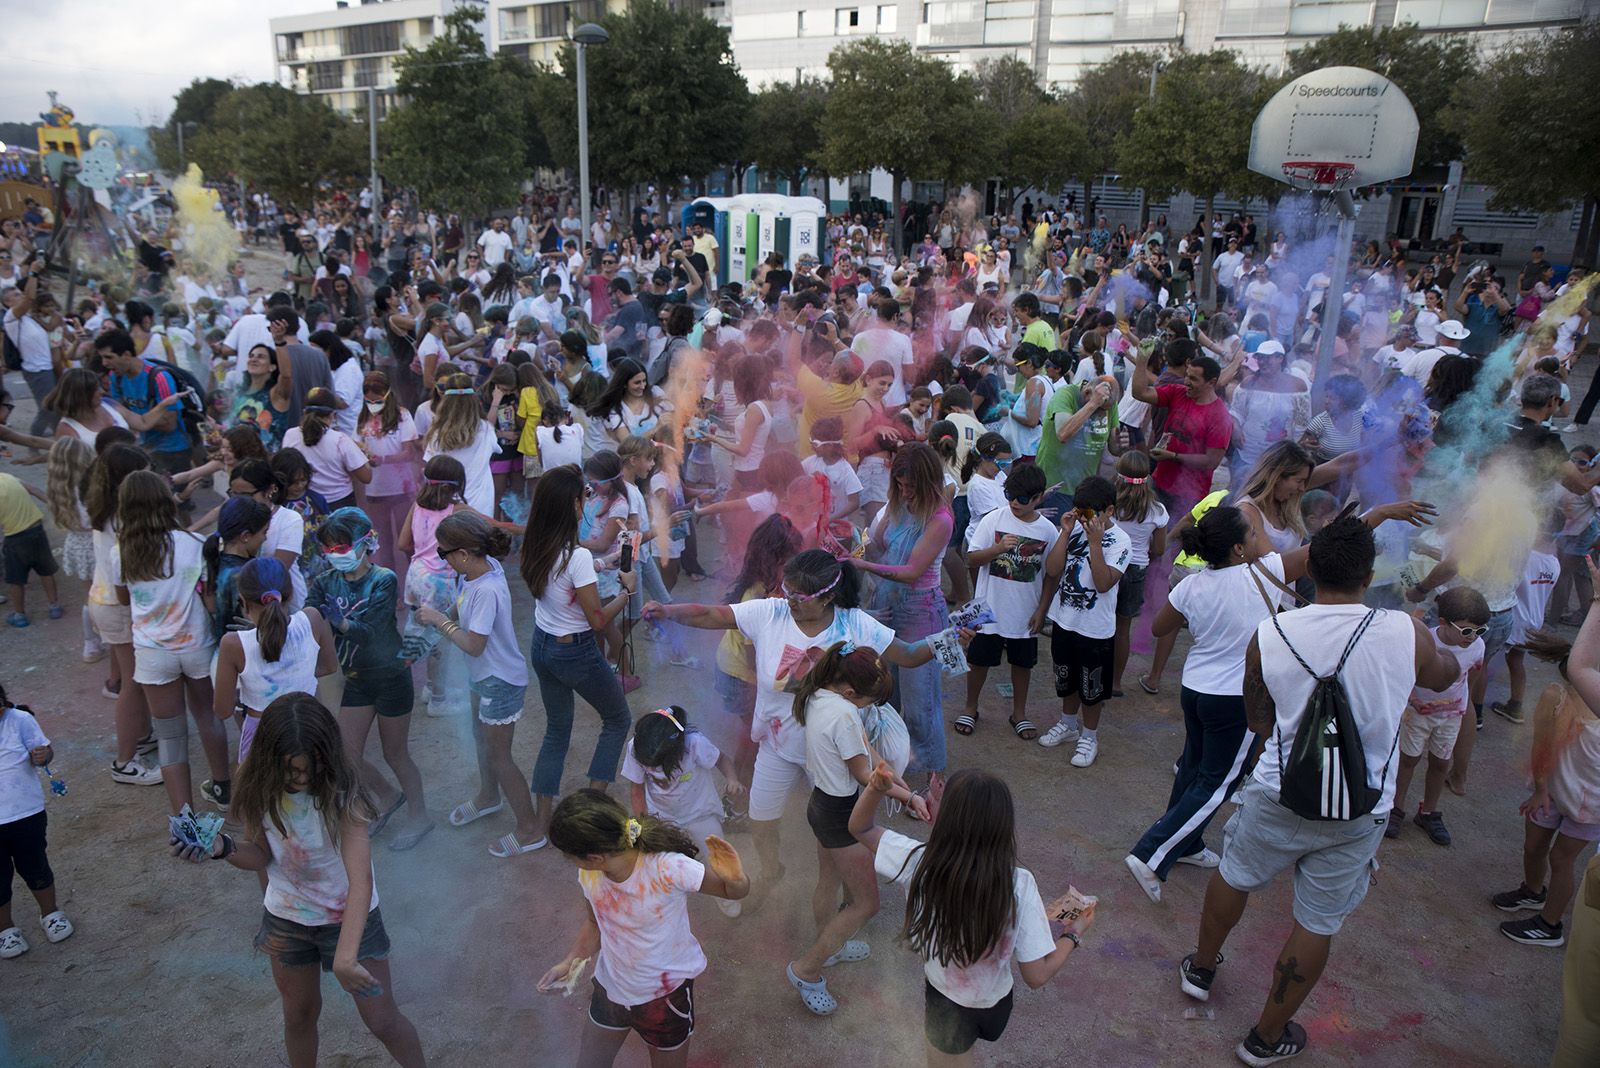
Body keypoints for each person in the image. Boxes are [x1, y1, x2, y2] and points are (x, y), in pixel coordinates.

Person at [1180, 516, 1455, 1066]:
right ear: (1369, 575)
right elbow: (1443, 676)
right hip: (1360, 808)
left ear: (1312, 571)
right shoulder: (1406, 631)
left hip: (1280, 790)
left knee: (1236, 874)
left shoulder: (1272, 633)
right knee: (1317, 921)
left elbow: (1259, 721)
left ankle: (1202, 967)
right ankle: (1265, 1037)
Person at [643, 550, 957, 909]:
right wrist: (668, 610)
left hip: (832, 757)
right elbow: (713, 615)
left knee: (835, 835)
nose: (787, 600)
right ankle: (771, 869)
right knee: (761, 821)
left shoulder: (856, 624)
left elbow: (909, 654)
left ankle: (845, 893)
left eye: (797, 596)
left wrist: (950, 639)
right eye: (785, 590)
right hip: (777, 746)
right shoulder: (769, 612)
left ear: (827, 597)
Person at [173, 694, 429, 1068]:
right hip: (287, 920)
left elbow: (361, 882)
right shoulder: (255, 783)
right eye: (292, 773)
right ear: (269, 761)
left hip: (351, 919)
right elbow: (260, 855)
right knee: (298, 1017)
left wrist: (345, 956)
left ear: (326, 757)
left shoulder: (344, 792)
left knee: (383, 1020)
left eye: (310, 771)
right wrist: (223, 847)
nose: (302, 781)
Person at [847, 761, 1093, 1067]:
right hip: (994, 1007)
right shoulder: (1019, 884)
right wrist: (1074, 932)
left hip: (946, 1005)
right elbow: (1037, 975)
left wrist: (875, 788)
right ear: (1003, 826)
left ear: (947, 818)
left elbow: (860, 827)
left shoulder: (917, 861)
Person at [537, 789, 749, 1068]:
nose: (571, 862)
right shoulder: (589, 873)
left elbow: (734, 892)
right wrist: (570, 962)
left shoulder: (668, 867)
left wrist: (735, 877)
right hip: (610, 989)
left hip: (664, 1000)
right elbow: (594, 923)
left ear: (595, 857)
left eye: (570, 856)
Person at [787, 643, 914, 1016]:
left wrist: (906, 789)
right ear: (851, 692)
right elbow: (865, 775)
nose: (869, 708)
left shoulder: (819, 693)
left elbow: (867, 750)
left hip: (821, 806)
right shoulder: (845, 714)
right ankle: (806, 970)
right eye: (869, 701)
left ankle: (832, 943)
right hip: (842, 815)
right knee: (866, 903)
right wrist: (906, 797)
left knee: (828, 881)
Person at [520, 466, 635, 844]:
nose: (589, 499)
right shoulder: (576, 557)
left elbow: (566, 574)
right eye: (584, 495)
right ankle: (589, 811)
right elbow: (599, 620)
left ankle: (539, 825)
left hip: (542, 644)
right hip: (576, 651)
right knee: (618, 718)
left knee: (556, 732)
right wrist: (626, 593)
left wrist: (602, 563)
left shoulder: (538, 544)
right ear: (571, 504)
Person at [304, 508, 428, 850]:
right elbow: (306, 621)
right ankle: (387, 797)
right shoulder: (324, 582)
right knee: (343, 752)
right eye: (328, 549)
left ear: (365, 543)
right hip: (356, 678)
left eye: (341, 547)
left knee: (395, 753)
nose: (334, 555)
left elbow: (370, 633)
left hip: (390, 677)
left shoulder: (384, 579)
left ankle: (420, 816)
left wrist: (336, 622)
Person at [109, 470, 231, 816]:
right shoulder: (194, 545)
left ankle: (184, 816)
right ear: (167, 503)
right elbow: (209, 595)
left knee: (171, 736)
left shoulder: (122, 552)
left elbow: (123, 599)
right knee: (208, 717)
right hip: (197, 645)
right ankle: (222, 786)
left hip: (152, 653)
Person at [418, 513, 538, 858]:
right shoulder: (477, 573)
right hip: (482, 677)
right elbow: (461, 608)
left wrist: (440, 622)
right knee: (481, 741)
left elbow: (474, 645)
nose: (443, 559)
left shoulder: (487, 588)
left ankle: (529, 829)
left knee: (500, 757)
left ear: (464, 554)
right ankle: (488, 797)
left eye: (444, 553)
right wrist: (445, 617)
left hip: (499, 681)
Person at [1490, 604, 1600, 950]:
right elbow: (1541, 750)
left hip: (1590, 804)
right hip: (1549, 789)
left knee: (1561, 858)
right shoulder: (1555, 698)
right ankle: (1533, 892)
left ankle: (1550, 926)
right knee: (1534, 846)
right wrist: (1540, 790)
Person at [1033, 477, 1131, 768]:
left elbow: (1103, 584)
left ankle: (1089, 736)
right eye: (1079, 511)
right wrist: (1065, 532)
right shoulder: (1073, 528)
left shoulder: (1121, 541)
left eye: (1089, 514)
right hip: (1065, 620)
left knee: (1092, 687)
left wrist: (1095, 544)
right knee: (1066, 678)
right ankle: (1067, 724)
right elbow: (1052, 570)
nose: (1083, 519)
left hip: (1096, 628)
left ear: (1109, 511)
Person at [958, 463, 1057, 740]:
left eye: (1023, 499)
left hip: (1025, 613)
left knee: (1023, 665)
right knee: (978, 662)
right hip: (988, 611)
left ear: (1038, 498)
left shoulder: (1048, 531)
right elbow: (972, 558)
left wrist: (1043, 609)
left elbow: (1051, 574)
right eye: (1010, 495)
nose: (1014, 502)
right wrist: (998, 549)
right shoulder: (994, 519)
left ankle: (1019, 713)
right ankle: (970, 707)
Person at [621, 705, 746, 918]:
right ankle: (672, 898)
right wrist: (645, 826)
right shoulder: (637, 747)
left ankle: (725, 894)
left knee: (717, 855)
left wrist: (732, 779)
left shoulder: (694, 743)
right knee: (662, 860)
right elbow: (637, 791)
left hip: (701, 812)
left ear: (678, 749)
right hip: (661, 816)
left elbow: (722, 759)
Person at [1387, 586, 1489, 847]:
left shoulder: (1477, 647)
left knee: (1441, 763)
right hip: (1416, 712)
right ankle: (1396, 809)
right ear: (1444, 623)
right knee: (1408, 760)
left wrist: (1462, 706)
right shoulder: (1425, 641)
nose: (1473, 637)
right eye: (1467, 630)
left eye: (1480, 630)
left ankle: (1428, 812)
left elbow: (1472, 677)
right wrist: (1407, 703)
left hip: (1450, 715)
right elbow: (1407, 675)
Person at [212, 557, 338, 764]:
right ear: (290, 595)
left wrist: (248, 688)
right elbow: (329, 666)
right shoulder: (314, 618)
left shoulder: (233, 644)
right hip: (309, 728)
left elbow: (222, 710)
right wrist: (294, 675)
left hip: (262, 736)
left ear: (243, 601)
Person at [0, 682, 73, 960]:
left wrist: (43, 756)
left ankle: (50, 913)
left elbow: (44, 753)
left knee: (35, 865)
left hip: (26, 814)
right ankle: (5, 929)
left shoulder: (20, 720)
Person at [1130, 354, 1231, 519]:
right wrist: (1142, 361)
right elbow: (1140, 392)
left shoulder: (1220, 416)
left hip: (1189, 495)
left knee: (1172, 542)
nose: (1186, 382)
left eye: (1193, 379)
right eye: (1186, 376)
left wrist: (1173, 456)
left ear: (1211, 383)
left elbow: (1211, 461)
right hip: (1159, 483)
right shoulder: (1178, 392)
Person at [1110, 452, 1168, 696]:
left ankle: (1095, 677)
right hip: (1136, 569)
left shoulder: (1109, 504)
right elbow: (1159, 549)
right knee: (1123, 630)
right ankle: (1115, 684)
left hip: (1108, 566)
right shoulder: (1156, 510)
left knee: (1101, 626)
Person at [281, 387, 369, 511]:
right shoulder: (340, 440)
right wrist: (364, 455)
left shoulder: (290, 436)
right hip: (339, 505)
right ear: (332, 415)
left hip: (304, 505)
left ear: (304, 412)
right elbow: (366, 477)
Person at [0, 471, 61, 627]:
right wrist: (57, 508)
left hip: (14, 537)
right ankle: (54, 606)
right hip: (36, 530)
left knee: (16, 579)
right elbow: (35, 490)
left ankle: (20, 615)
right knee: (45, 570)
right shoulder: (9, 477)